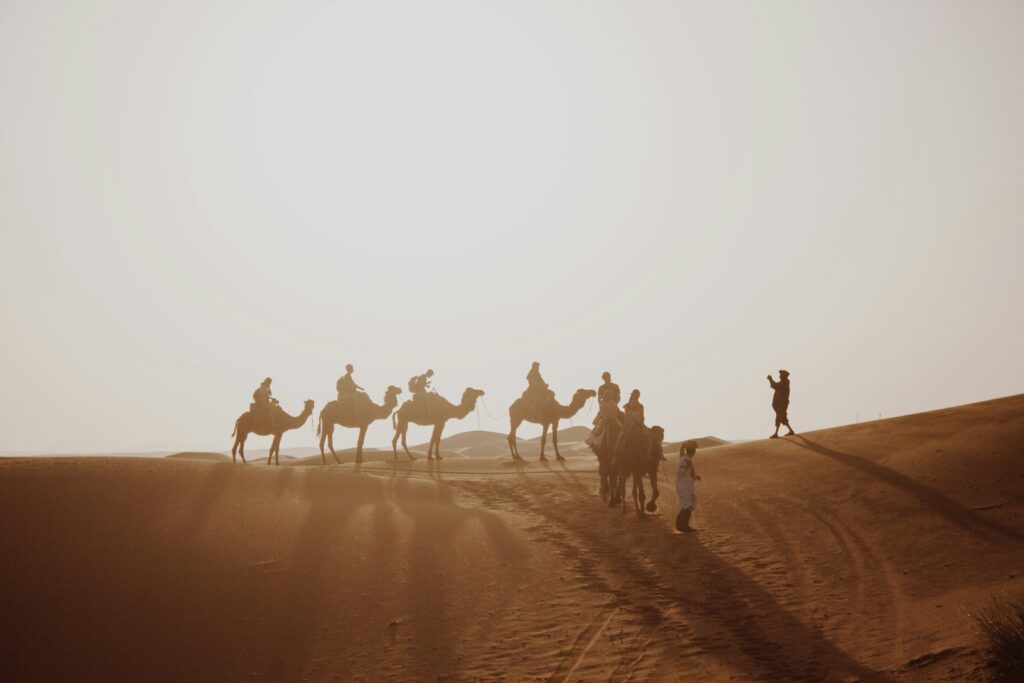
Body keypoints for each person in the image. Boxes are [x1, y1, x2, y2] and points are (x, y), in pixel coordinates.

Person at [675, 440, 700, 532]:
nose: (694, 451)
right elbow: (680, 473)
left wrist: (695, 476)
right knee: (687, 505)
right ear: (692, 450)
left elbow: (688, 472)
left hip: (687, 484)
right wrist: (686, 467)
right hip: (683, 485)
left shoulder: (686, 459)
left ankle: (682, 525)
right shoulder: (684, 460)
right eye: (693, 449)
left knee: (690, 504)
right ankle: (683, 526)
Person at [767, 370, 796, 438]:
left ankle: (776, 433)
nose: (780, 376)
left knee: (779, 416)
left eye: (781, 375)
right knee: (782, 417)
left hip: (782, 403)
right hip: (780, 403)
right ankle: (790, 430)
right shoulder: (784, 382)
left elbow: (775, 386)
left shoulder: (784, 383)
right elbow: (776, 386)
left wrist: (770, 379)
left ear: (783, 376)